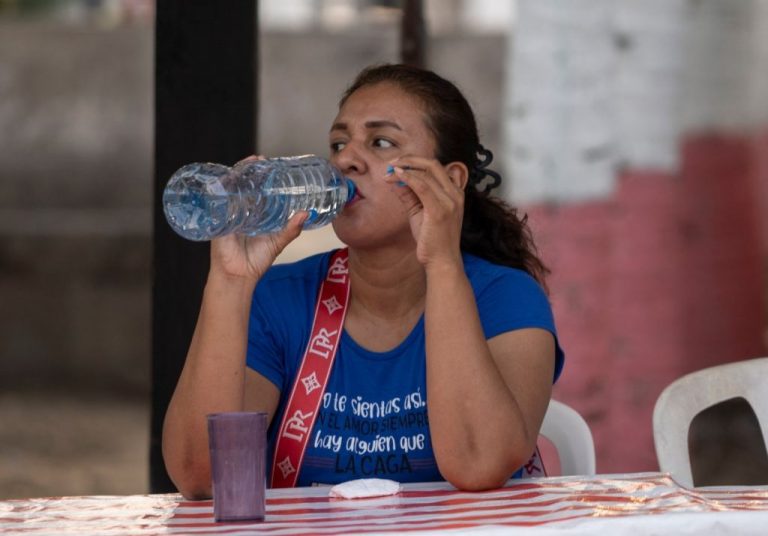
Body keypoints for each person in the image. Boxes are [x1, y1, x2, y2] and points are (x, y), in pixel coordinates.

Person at [162, 63, 565, 498]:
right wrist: (230, 282)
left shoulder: (504, 298)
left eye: (381, 142)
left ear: (450, 181)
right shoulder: (281, 298)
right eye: (339, 143)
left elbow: (478, 464)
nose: (345, 160)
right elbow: (201, 477)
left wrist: (443, 263)